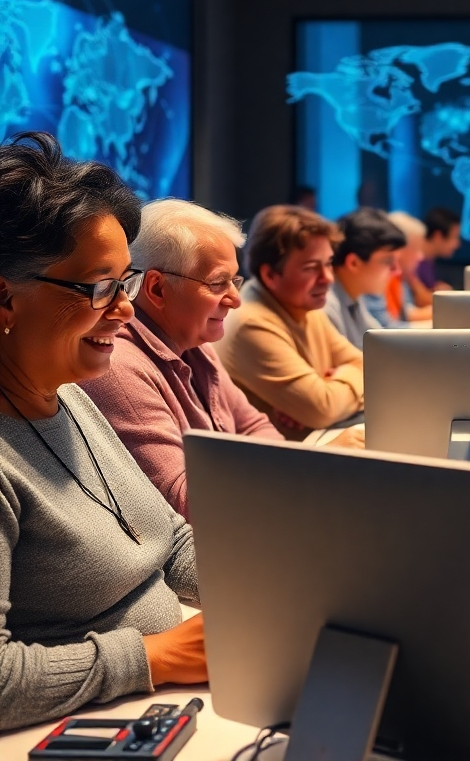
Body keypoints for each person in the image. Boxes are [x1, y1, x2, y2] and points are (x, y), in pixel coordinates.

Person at [0, 133, 205, 731]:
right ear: (5, 300)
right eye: (98, 287)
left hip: (164, 702)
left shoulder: (68, 399)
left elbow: (168, 540)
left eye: (126, 283)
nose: (123, 310)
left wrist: (271, 589)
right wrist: (153, 658)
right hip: (92, 719)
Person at [80, 200, 364, 521]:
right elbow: (187, 502)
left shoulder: (193, 340)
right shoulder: (119, 366)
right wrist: (313, 464)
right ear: (157, 288)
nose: (235, 299)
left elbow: (254, 427)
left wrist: (285, 467)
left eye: (234, 281)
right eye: (218, 283)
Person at [216, 205, 364, 439]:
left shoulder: (304, 303)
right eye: (311, 268)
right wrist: (334, 388)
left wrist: (332, 385)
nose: (327, 279)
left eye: (327, 264)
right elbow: (322, 409)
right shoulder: (251, 322)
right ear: (270, 275)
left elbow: (366, 365)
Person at [326, 208, 406, 348]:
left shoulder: (353, 296)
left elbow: (382, 343)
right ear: (353, 263)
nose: (397, 271)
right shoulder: (326, 307)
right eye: (388, 262)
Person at [415, 206, 461, 294]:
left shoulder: (429, 262)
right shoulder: (415, 264)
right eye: (455, 237)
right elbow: (420, 300)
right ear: (438, 236)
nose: (457, 245)